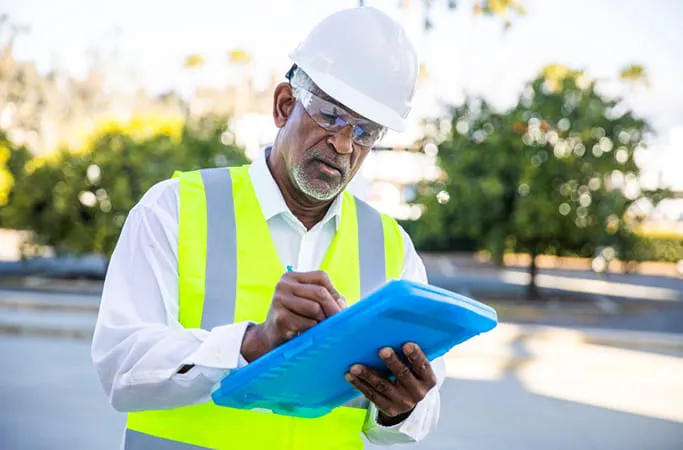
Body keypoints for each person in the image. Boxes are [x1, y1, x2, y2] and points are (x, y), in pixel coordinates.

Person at [91, 6, 446, 449]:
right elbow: (120, 366)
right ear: (284, 105)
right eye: (331, 116)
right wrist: (251, 345)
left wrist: (403, 408)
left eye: (365, 132)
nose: (342, 145)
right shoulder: (174, 209)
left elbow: (419, 416)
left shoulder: (393, 247)